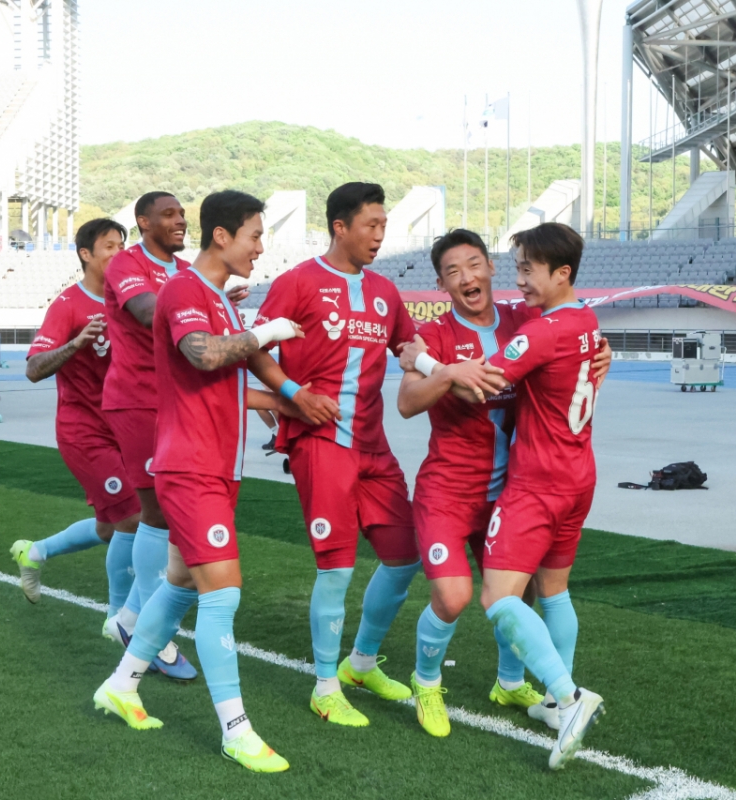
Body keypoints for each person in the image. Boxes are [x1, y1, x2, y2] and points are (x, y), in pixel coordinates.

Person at [94, 190, 310, 772]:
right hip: (191, 468)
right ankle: (236, 730)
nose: (260, 248)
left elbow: (226, 376)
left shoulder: (217, 298)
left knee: (184, 584)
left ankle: (122, 684)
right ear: (222, 236)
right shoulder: (185, 289)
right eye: (254, 236)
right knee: (223, 595)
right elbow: (204, 355)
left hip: (216, 465)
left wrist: (284, 397)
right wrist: (266, 333)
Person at [394, 228, 611, 737]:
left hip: (515, 485)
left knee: (527, 591)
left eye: (475, 265)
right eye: (453, 271)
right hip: (450, 490)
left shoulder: (526, 319)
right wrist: (437, 368)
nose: (467, 277)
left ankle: (513, 682)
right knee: (454, 598)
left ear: (490, 269)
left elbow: (558, 351)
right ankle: (427, 683)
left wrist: (603, 353)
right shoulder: (435, 332)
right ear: (441, 284)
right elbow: (405, 403)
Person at [252, 182, 427, 727]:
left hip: (374, 446)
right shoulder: (297, 282)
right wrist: (292, 394)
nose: (380, 235)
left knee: (405, 557)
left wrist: (442, 365)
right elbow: (255, 350)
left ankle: (361, 664)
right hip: (321, 444)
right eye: (371, 225)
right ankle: (325, 687)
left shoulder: (385, 291)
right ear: (340, 227)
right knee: (336, 568)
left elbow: (409, 347)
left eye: (384, 226)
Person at [470, 222, 605, 770]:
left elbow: (483, 380)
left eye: (528, 269)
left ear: (562, 273)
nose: (520, 280)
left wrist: (423, 364)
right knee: (554, 592)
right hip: (578, 475)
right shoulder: (587, 319)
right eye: (518, 268)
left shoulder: (544, 331)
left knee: (497, 598)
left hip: (538, 482)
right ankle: (552, 701)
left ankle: (569, 699)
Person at [100, 190, 212, 680]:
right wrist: (194, 306)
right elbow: (150, 312)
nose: (180, 220)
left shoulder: (183, 271)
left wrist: (210, 304)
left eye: (182, 213)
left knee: (170, 511)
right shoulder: (127, 264)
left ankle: (129, 619)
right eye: (168, 214)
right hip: (138, 399)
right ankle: (150, 627)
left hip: (174, 400)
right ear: (143, 222)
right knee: (157, 513)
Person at [10, 219, 141, 627]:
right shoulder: (68, 304)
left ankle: (35, 552)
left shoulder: (131, 301)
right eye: (109, 246)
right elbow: (33, 369)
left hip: (126, 427)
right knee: (134, 517)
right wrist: (76, 343)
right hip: (85, 431)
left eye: (122, 245)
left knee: (109, 528)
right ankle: (118, 619)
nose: (119, 253)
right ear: (86, 254)